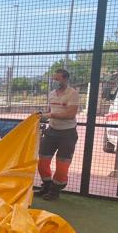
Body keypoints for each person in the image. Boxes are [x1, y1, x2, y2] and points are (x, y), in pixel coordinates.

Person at [36, 69, 79, 201]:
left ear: (65, 79)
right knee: (42, 161)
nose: (55, 81)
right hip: (51, 131)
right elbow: (50, 111)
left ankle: (55, 190)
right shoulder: (51, 94)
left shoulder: (72, 93)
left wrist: (50, 115)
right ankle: (47, 186)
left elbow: (70, 114)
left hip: (68, 133)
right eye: (54, 78)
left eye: (58, 79)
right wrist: (42, 116)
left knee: (62, 164)